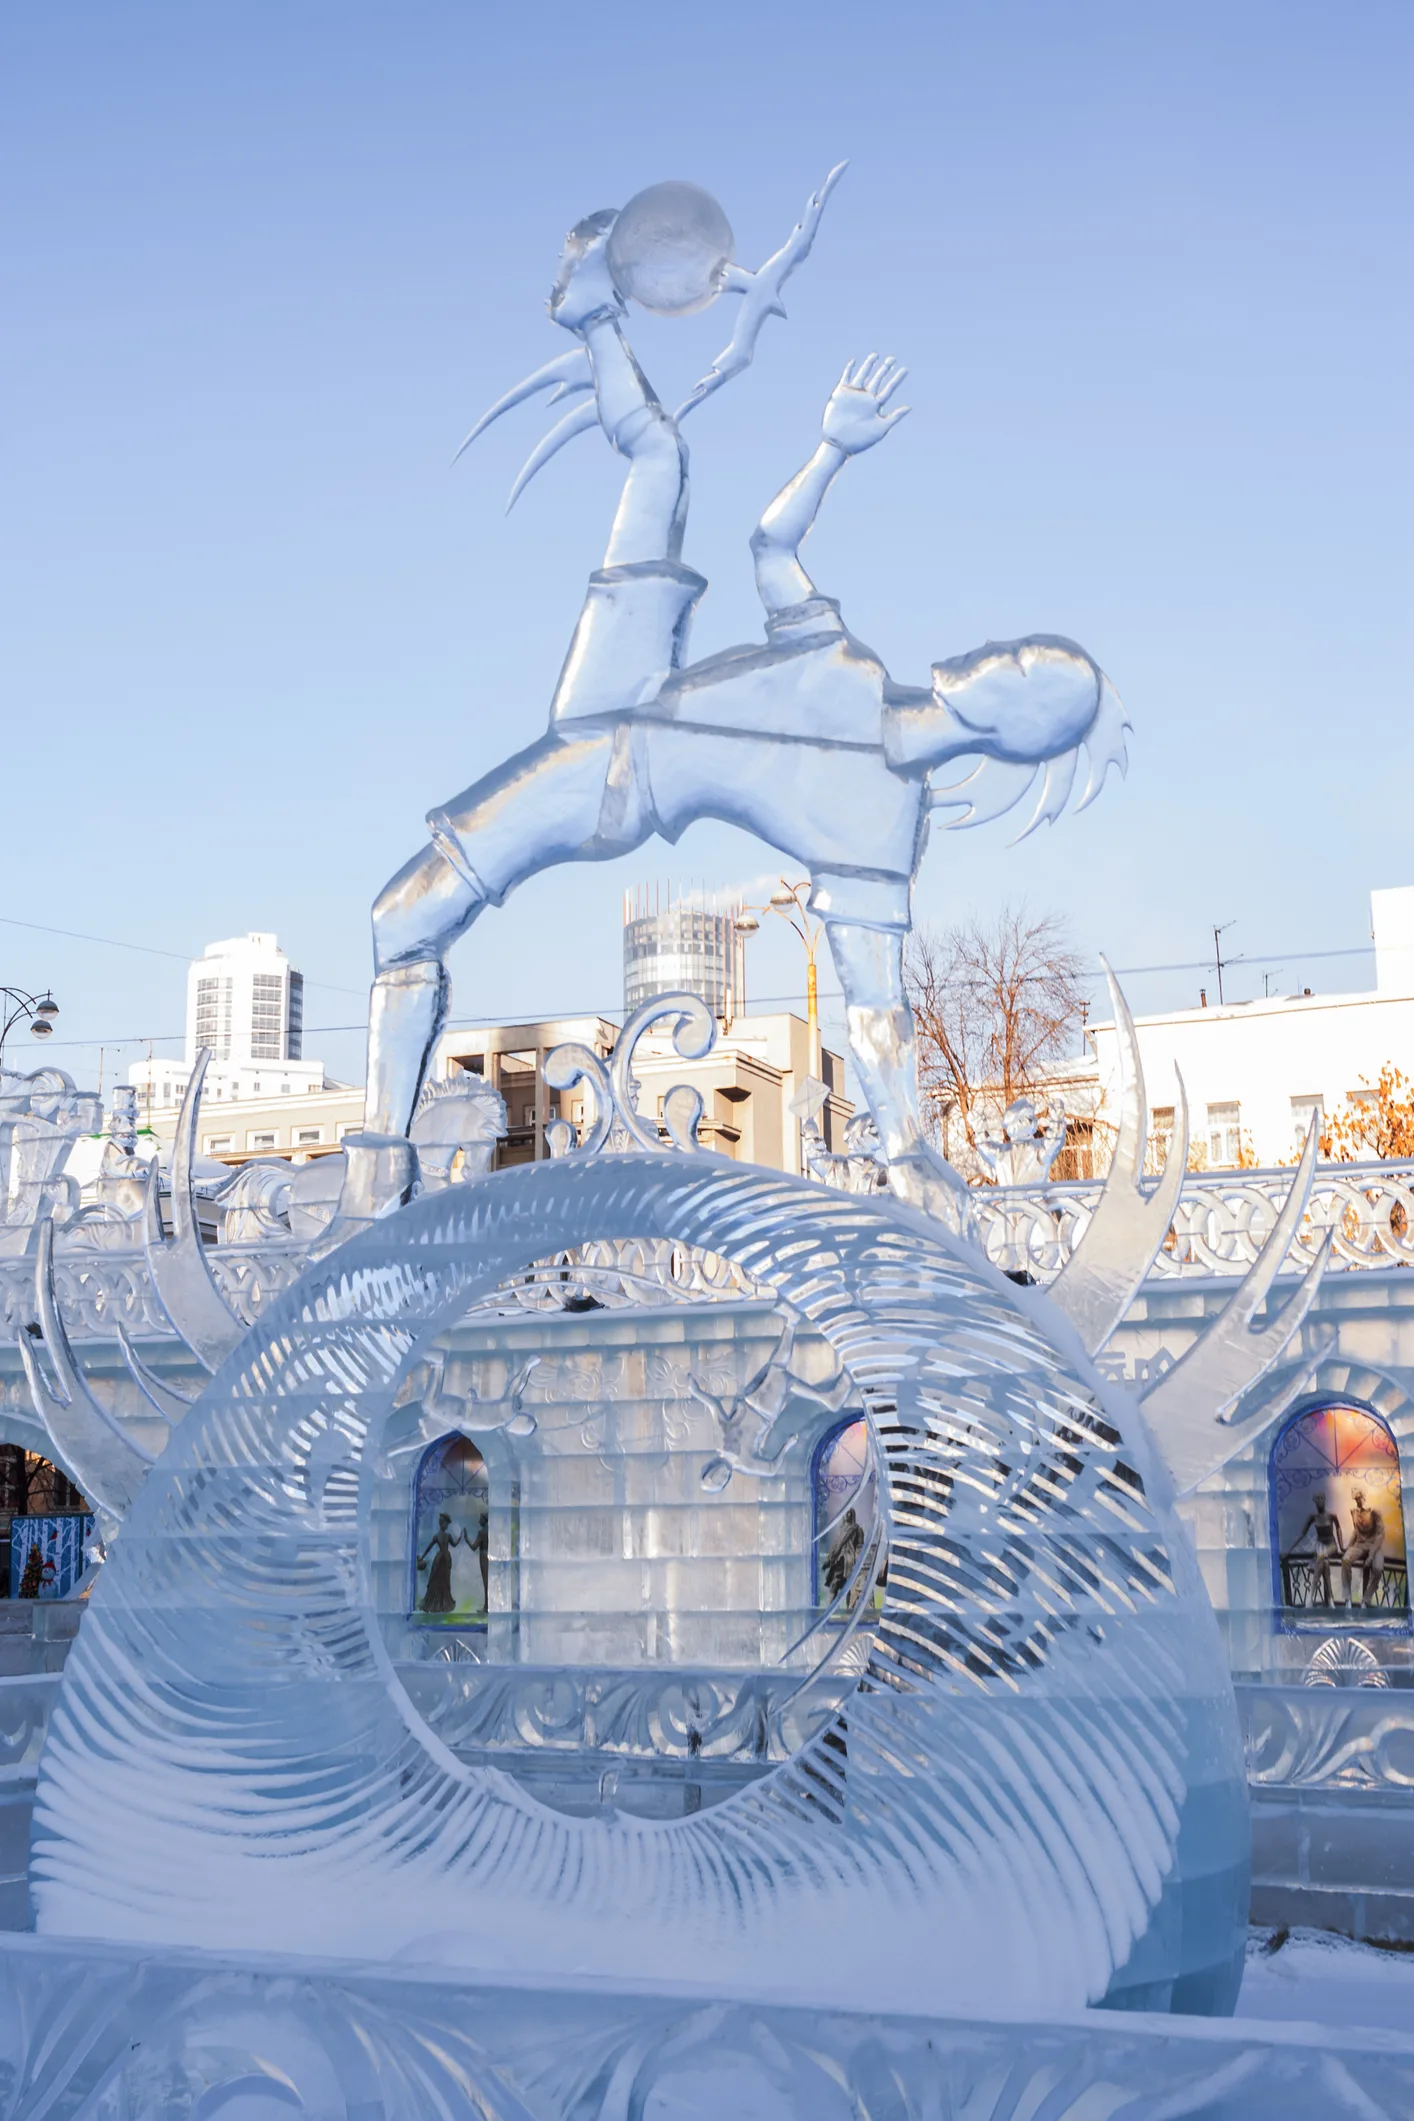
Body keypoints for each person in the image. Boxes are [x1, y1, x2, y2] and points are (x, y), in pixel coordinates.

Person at [347, 213, 1127, 1235]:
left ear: (1016, 725)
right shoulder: (848, 664)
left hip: (618, 776)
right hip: (639, 667)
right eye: (1022, 642)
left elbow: (877, 1006)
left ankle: (370, 1184)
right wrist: (831, 452)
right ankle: (591, 315)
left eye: (1024, 666)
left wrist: (905, 1147)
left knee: (399, 918)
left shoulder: (881, 830)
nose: (1001, 649)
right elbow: (770, 545)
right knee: (661, 458)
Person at [1282, 1489, 1344, 1606]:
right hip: (1320, 1545)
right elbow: (1302, 1534)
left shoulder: (1332, 1515)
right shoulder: (1313, 1517)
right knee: (1324, 1565)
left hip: (1331, 1545)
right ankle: (1330, 1600)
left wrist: (1342, 1546)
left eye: (1321, 1498)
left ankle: (1310, 1595)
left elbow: (1338, 1529)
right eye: (1317, 1499)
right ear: (1315, 1502)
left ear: (1325, 1500)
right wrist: (1288, 1551)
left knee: (1320, 1558)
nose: (1319, 1501)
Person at [1341, 1487, 1386, 1607]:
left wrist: (1370, 1556)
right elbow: (1356, 1531)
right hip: (1359, 1545)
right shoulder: (1353, 1511)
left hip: (1374, 1545)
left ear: (1364, 1497)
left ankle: (1366, 1599)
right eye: (1355, 1499)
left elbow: (1381, 1534)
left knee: (1378, 1569)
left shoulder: (1374, 1511)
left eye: (1359, 1498)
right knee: (1345, 1559)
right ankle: (1347, 1598)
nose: (1358, 1501)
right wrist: (1348, 1547)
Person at [416, 1512, 464, 1617]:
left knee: (443, 1581)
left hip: (444, 1560)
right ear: (443, 1524)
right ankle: (436, 1603)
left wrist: (460, 1538)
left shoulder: (445, 1536)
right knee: (436, 1580)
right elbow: (429, 1548)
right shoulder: (438, 1536)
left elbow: (454, 1544)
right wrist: (422, 1557)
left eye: (444, 1522)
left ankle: (443, 1602)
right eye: (444, 1523)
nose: (444, 1525)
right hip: (442, 1559)